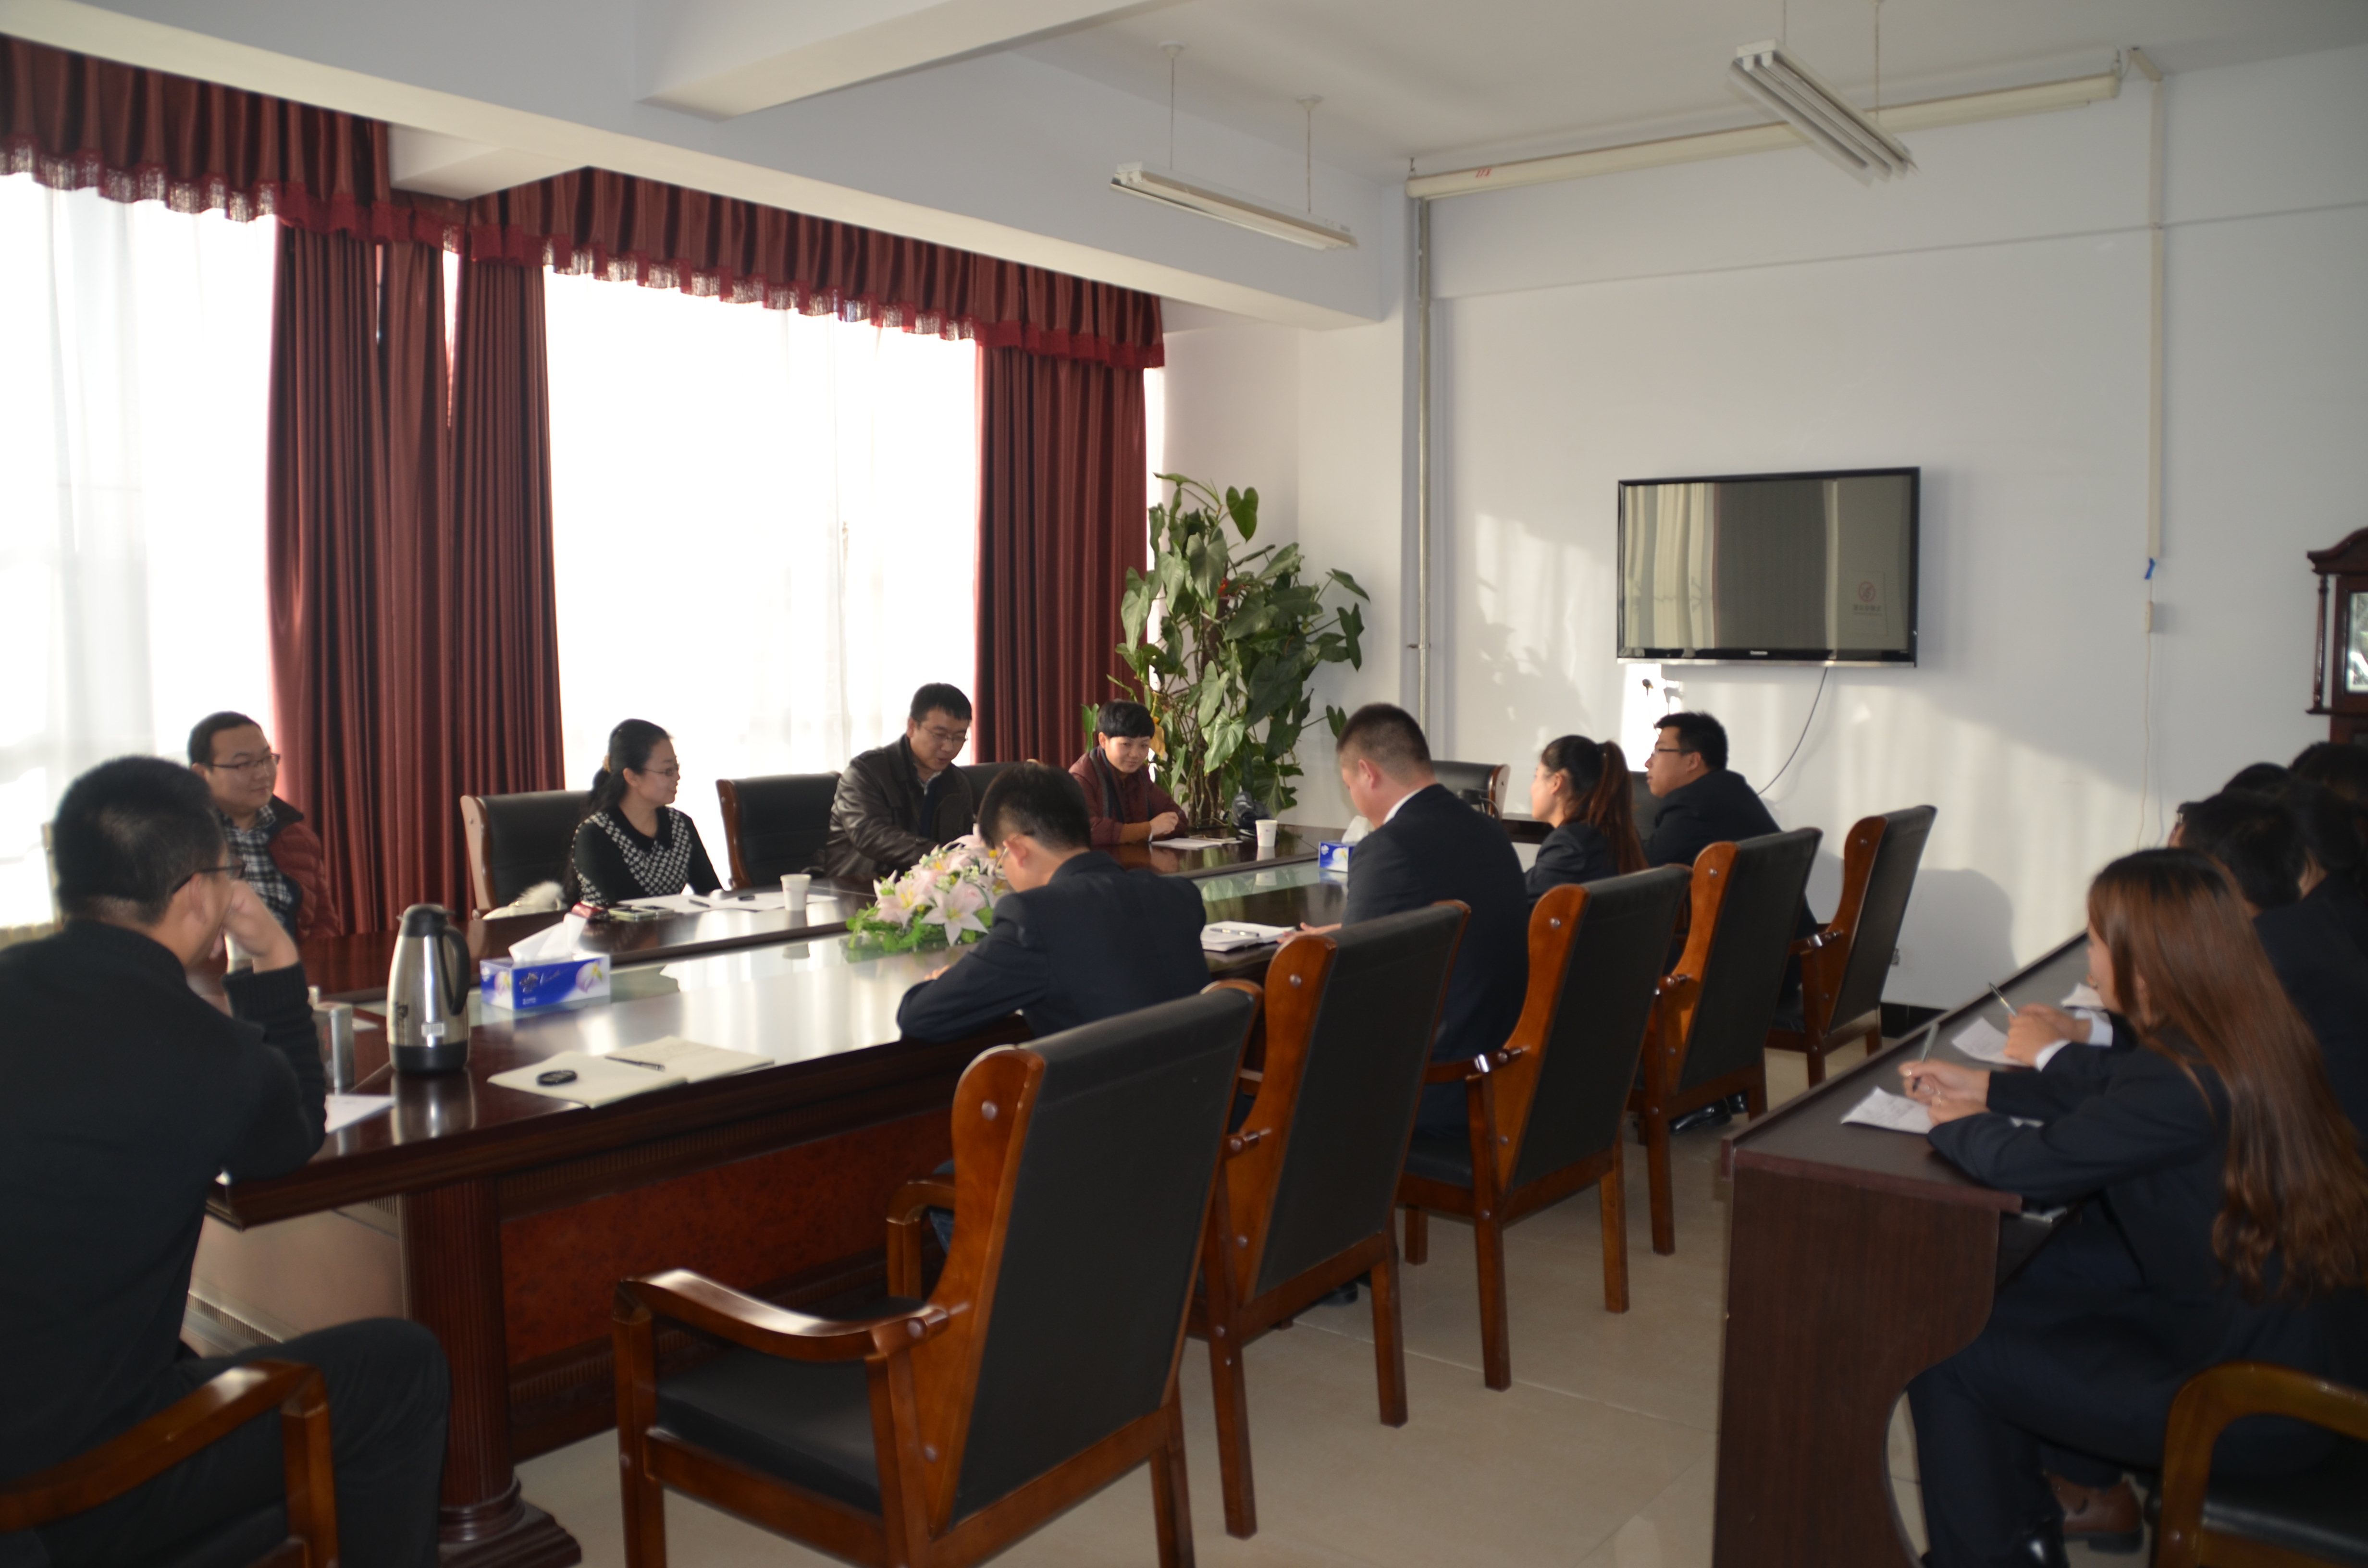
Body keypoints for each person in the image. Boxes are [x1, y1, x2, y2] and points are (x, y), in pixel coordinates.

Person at [0, 758, 447, 1568]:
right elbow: (290, 1140)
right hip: (75, 1485)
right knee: (403, 1365)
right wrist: (273, 956)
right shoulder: (209, 1053)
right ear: (198, 893)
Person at [1899, 850, 2368, 1568]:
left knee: (1946, 1349)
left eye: (2095, 941)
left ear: (2142, 966)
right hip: (2275, 1332)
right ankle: (2029, 1531)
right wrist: (1986, 1090)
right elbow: (2118, 1091)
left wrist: (1954, 1124)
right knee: (1993, 1303)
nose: (2089, 958)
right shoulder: (2243, 1030)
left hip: (2250, 1397)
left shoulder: (2184, 1075)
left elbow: (2034, 1168)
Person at [1310, 703, 1529, 1142]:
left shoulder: (1388, 848)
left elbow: (1352, 985)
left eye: (1349, 786)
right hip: (1503, 1063)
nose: (1353, 799)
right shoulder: (1489, 831)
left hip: (1434, 1085)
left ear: (1368, 773)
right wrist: (1344, 934)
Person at [896, 762, 1209, 1041]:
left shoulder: (1034, 918)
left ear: (1016, 849)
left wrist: (945, 982)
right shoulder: (1178, 896)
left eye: (1000, 859)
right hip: (1206, 1088)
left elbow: (920, 1016)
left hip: (1106, 1090)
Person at [2172, 791, 2368, 1133]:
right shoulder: (2309, 926)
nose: (2165, 889)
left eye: (2175, 872)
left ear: (2221, 876)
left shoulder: (2260, 959)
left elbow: (2179, 1081)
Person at [187, 711, 344, 942]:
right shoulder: (179, 840)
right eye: (243, 764)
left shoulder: (298, 837)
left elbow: (324, 925)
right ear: (202, 774)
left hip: (292, 963)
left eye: (267, 758)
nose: (262, 774)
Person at [822, 684, 979, 883]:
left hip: (930, 889)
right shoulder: (866, 772)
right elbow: (870, 834)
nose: (949, 747)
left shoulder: (958, 783)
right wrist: (940, 855)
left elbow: (966, 840)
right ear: (912, 727)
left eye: (958, 738)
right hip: (859, 888)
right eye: (939, 735)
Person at [566, 719, 722, 907]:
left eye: (676, 767)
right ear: (632, 777)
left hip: (671, 925)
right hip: (611, 927)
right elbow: (633, 909)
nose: (677, 777)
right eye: (667, 771)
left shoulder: (680, 825)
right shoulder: (595, 835)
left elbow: (712, 894)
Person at [1639, 710, 1783, 867]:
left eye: (1658, 751)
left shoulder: (1692, 804)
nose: (1648, 763)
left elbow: (1642, 867)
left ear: (1693, 761)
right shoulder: (1732, 789)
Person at [1524, 733, 1646, 900]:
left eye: (1536, 776)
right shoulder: (1616, 833)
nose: (1532, 788)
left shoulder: (1569, 844)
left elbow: (1516, 901)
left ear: (1556, 783)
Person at [1069, 699, 1186, 846]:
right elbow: (1083, 831)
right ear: (1104, 741)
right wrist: (1149, 829)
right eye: (1126, 744)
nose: (1135, 754)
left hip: (1136, 858)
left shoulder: (1140, 775)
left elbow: (1179, 817)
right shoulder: (1083, 775)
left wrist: (1150, 831)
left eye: (1144, 745)